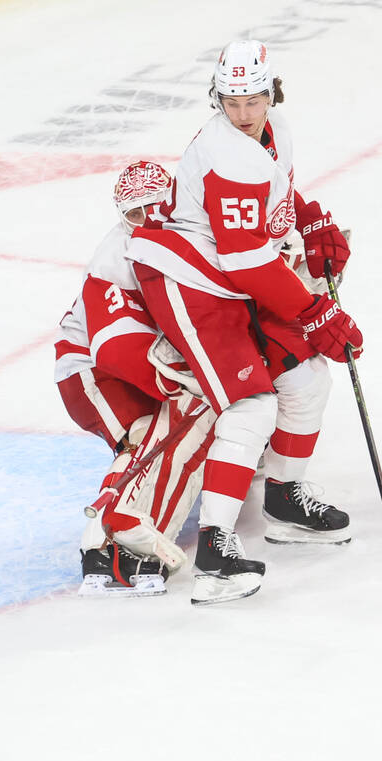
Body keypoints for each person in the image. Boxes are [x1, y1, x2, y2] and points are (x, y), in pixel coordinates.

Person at [126, 39, 363, 606]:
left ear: (270, 92)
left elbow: (274, 189)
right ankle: (215, 555)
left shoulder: (270, 129)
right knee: (252, 405)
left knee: (307, 381)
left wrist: (310, 219)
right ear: (218, 100)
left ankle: (282, 499)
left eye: (253, 100)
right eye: (231, 103)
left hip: (238, 278)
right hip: (193, 283)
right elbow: (245, 256)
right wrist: (316, 310)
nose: (243, 113)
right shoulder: (226, 152)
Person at [55, 161, 217, 597]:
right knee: (144, 436)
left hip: (144, 363)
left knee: (170, 432)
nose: (146, 221)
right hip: (92, 371)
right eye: (134, 214)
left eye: (154, 207)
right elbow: (116, 349)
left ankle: (140, 530)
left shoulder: (186, 230)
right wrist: (182, 383)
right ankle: (103, 536)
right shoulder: (115, 259)